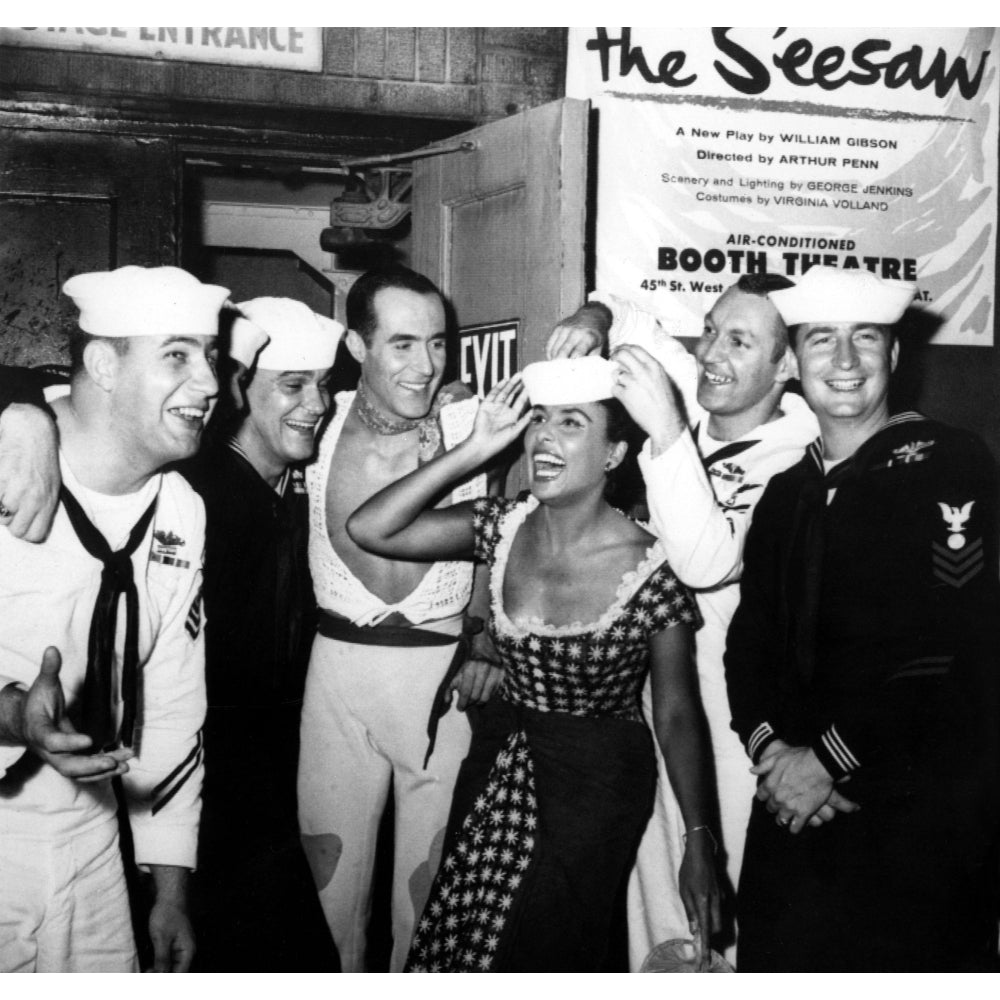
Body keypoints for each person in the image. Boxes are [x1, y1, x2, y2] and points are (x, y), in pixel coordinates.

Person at [347, 358, 721, 972]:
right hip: (499, 760)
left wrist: (699, 841)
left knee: (549, 950)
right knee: (467, 937)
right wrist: (474, 450)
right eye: (539, 420)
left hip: (597, 787)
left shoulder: (652, 568)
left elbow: (678, 714)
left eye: (572, 423)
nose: (544, 437)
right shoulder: (501, 527)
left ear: (613, 454)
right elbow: (371, 527)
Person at [726, 265, 1000, 971]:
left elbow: (953, 645)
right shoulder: (786, 494)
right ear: (791, 363)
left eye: (866, 340)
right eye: (822, 341)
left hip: (913, 824)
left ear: (896, 357)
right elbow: (748, 644)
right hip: (793, 820)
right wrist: (773, 757)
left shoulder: (948, 462)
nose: (844, 363)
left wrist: (826, 761)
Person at [547, 277, 818, 966]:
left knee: (718, 933)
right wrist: (593, 316)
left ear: (786, 367)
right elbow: (629, 313)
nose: (713, 355)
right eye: (711, 331)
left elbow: (706, 563)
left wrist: (665, 428)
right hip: (653, 712)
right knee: (655, 933)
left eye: (740, 341)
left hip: (732, 734)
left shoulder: (796, 461)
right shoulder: (700, 398)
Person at [0, 265, 225, 972]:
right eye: (177, 355)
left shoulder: (182, 509)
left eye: (211, 357)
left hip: (95, 844)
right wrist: (11, 719)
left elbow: (174, 703)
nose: (213, 384)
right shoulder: (11, 469)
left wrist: (170, 888)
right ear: (101, 363)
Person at [298, 265, 499, 972]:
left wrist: (487, 640)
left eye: (438, 344)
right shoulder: (312, 424)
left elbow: (510, 536)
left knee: (430, 894)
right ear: (358, 346)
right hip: (337, 676)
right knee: (330, 887)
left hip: (438, 680)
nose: (425, 365)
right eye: (403, 344)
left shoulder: (473, 425)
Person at [183, 297, 343, 971]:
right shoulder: (203, 492)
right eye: (294, 385)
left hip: (274, 777)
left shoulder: (282, 490)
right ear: (242, 388)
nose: (318, 404)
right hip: (213, 788)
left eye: (325, 386)